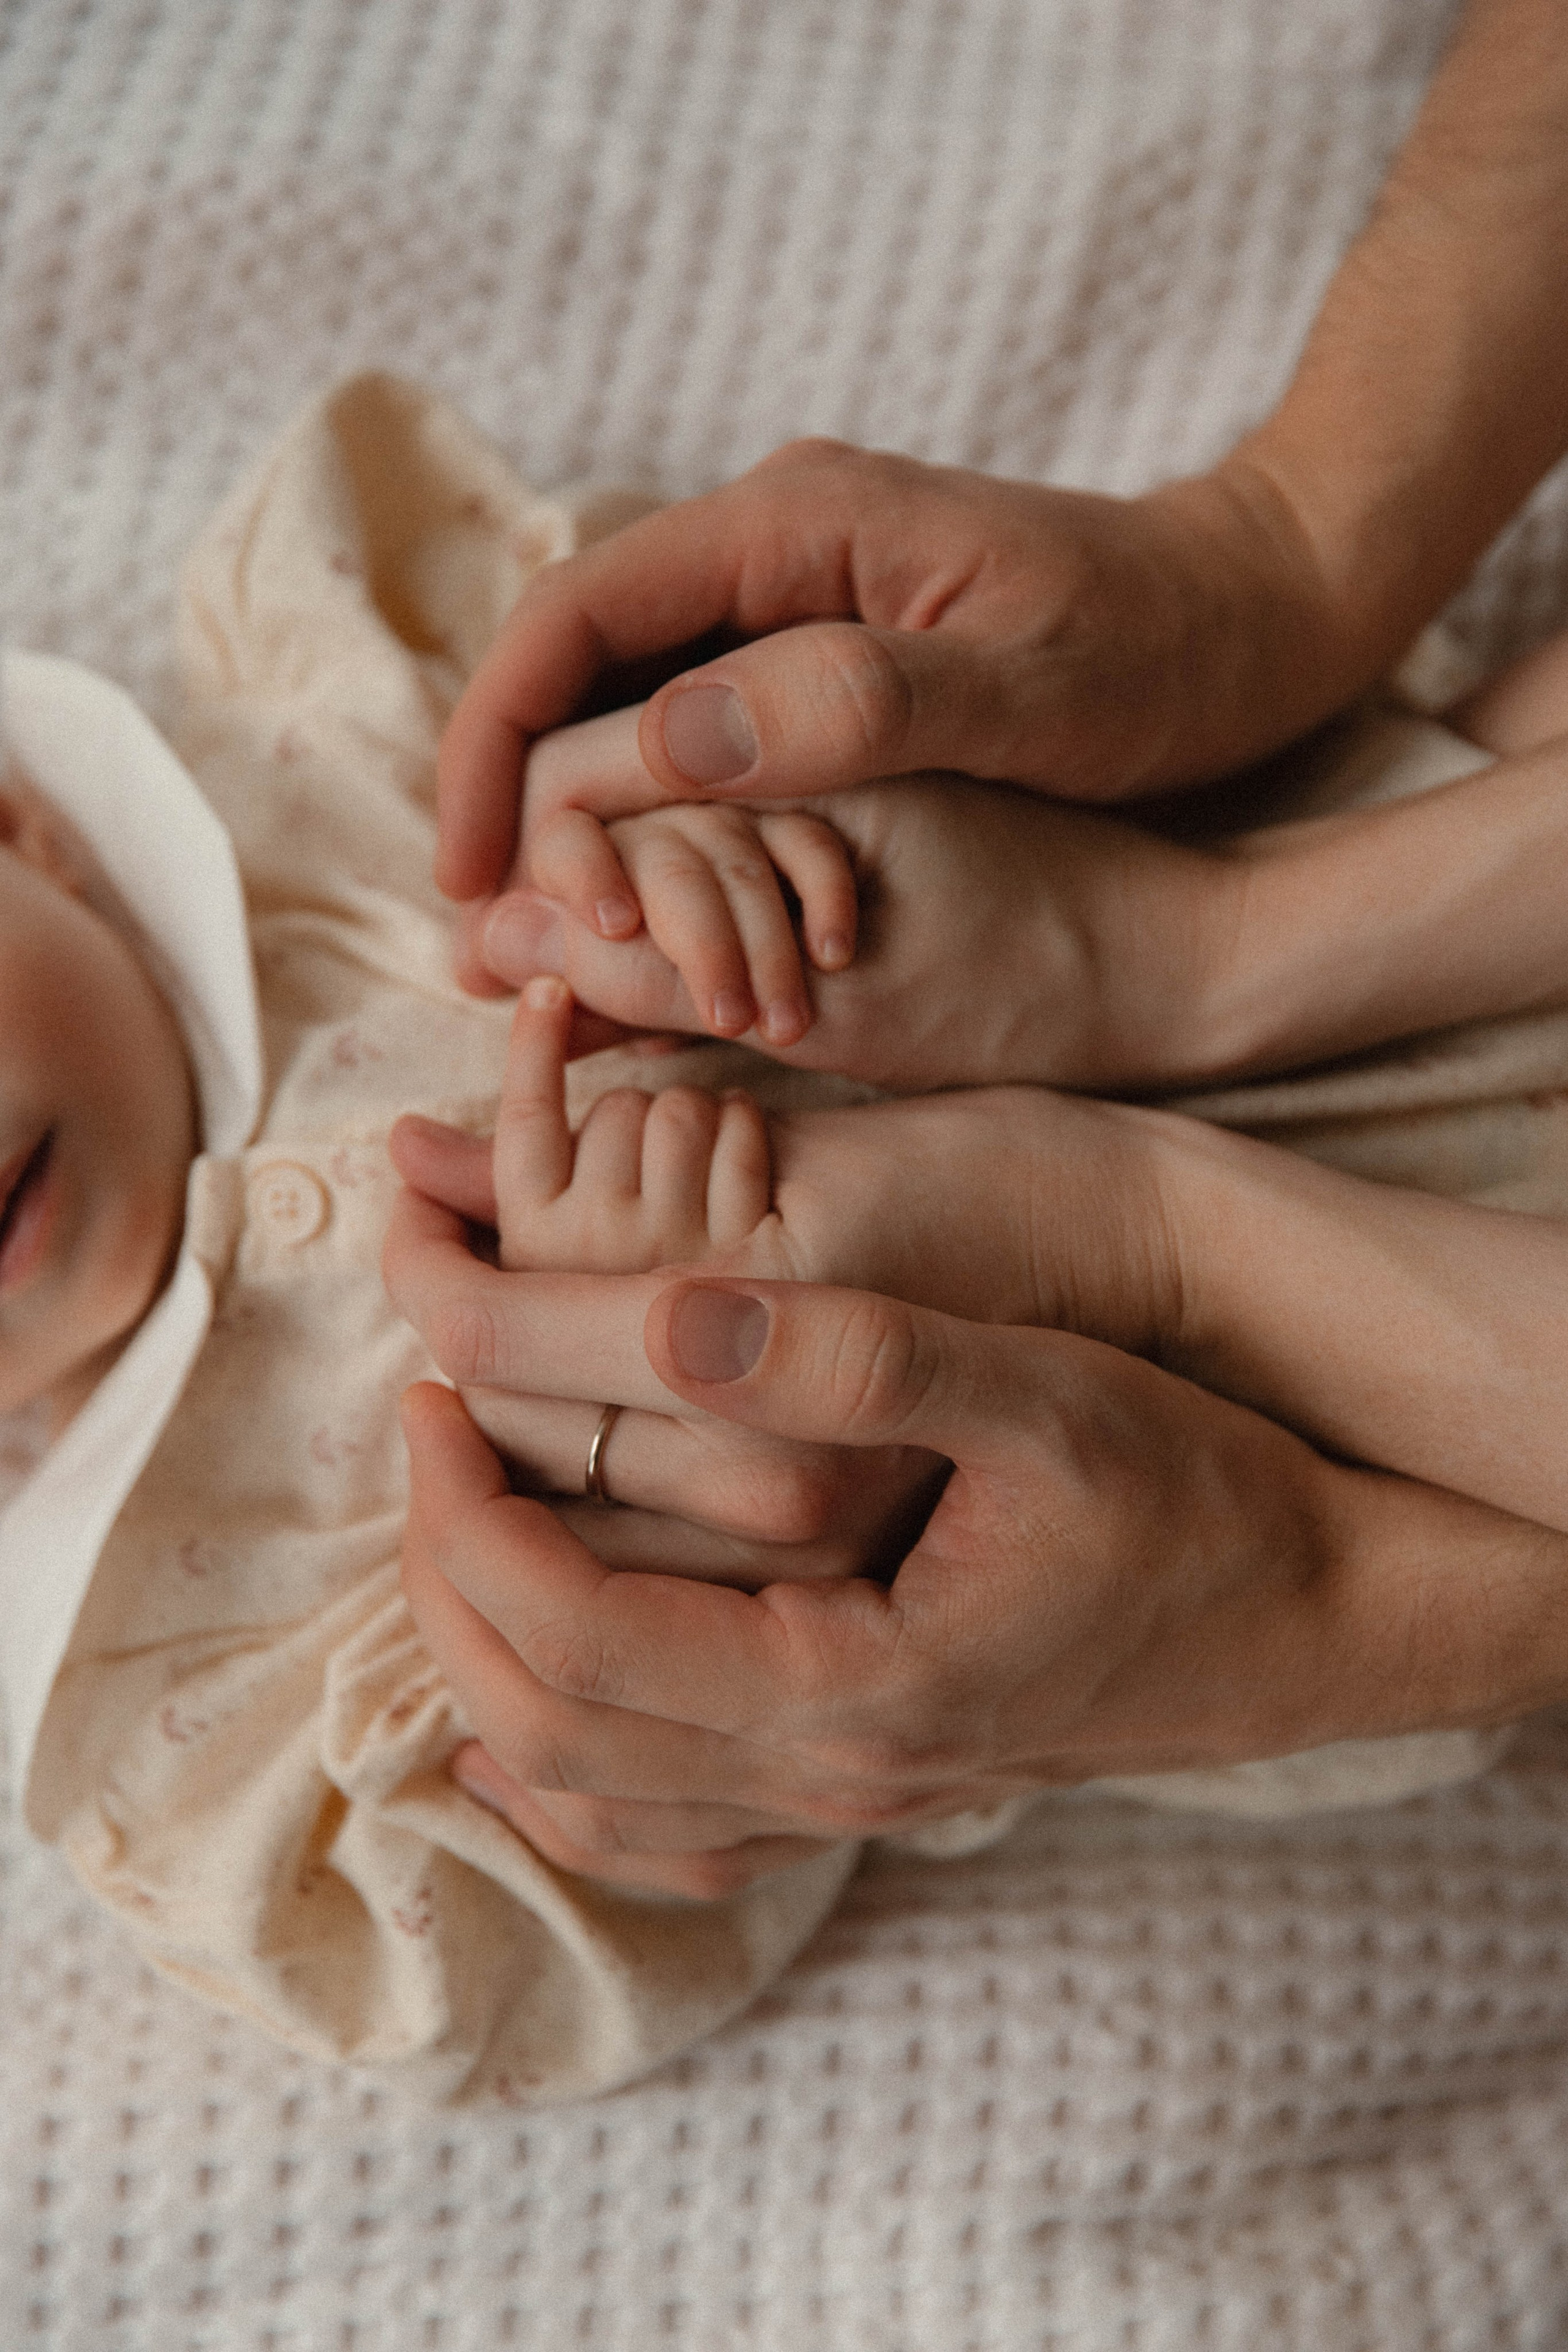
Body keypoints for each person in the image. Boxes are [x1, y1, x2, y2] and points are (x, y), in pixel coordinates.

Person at [382, 0, 1568, 1890]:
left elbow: (604, 647)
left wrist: (702, 861)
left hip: (1383, 862)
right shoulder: (141, 1630)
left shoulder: (315, 750)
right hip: (1331, 1444)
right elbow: (562, 1825)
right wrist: (713, 1562)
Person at [0, 372, 925, 2104]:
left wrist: (674, 790)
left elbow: (684, 607)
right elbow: (541, 1952)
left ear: (16, 826)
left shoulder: (341, 736)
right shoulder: (155, 1703)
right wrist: (624, 1534)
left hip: (1255, 873)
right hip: (1244, 1504)